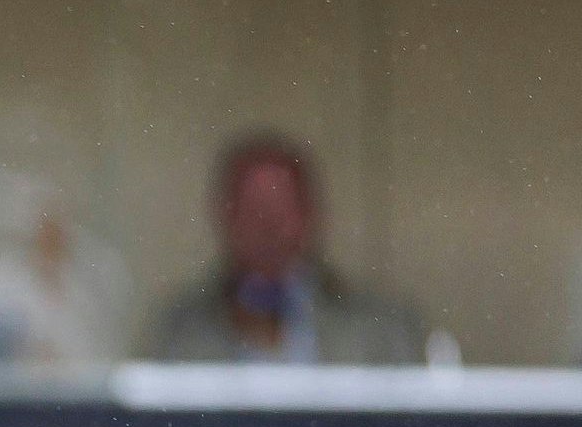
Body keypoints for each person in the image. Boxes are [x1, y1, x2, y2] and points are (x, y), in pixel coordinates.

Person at [140, 132, 431, 365]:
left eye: (281, 211)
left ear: (311, 215)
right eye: (254, 211)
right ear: (224, 217)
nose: (269, 228)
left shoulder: (378, 327)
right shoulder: (179, 331)